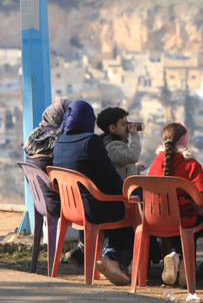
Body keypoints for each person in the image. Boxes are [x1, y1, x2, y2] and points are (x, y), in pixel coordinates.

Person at [51, 100, 134, 285]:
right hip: (93, 208)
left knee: (118, 202)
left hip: (70, 209)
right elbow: (111, 177)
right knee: (129, 208)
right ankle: (115, 259)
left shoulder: (59, 141)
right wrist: (127, 193)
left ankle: (85, 255)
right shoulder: (91, 141)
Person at [147, 121, 203, 287]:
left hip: (157, 220)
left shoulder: (155, 163)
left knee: (175, 219)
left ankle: (176, 256)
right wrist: (197, 200)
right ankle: (182, 258)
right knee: (200, 215)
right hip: (186, 219)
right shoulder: (190, 164)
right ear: (185, 142)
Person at [22, 98, 71, 264]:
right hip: (55, 202)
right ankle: (85, 253)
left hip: (40, 200)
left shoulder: (35, 135)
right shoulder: (57, 138)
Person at [96, 107, 146, 180]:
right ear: (113, 128)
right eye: (124, 125)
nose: (127, 127)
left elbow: (122, 168)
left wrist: (136, 169)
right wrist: (135, 136)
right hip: (118, 189)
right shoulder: (111, 147)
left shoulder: (118, 143)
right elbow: (133, 157)